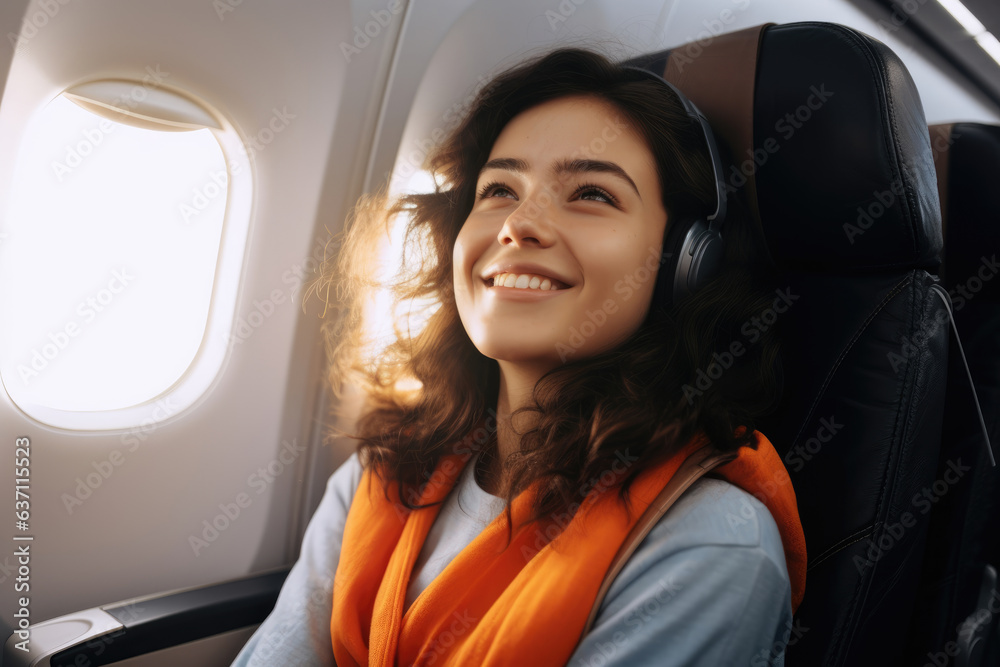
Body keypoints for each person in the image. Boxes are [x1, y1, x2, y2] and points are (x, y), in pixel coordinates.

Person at [232, 46, 806, 667]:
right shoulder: (383, 472)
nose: (519, 224)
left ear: (683, 263)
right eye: (499, 189)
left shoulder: (710, 545)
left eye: (591, 193)